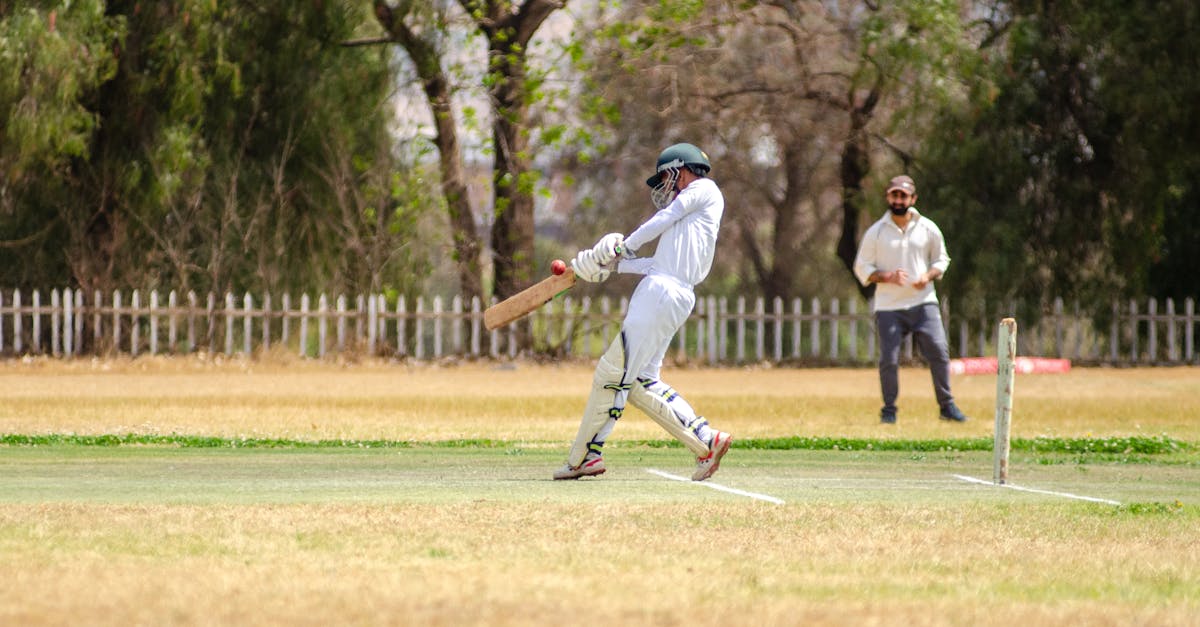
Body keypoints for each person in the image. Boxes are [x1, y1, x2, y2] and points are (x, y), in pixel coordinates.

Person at [553, 142, 732, 481]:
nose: (666, 186)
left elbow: (662, 219)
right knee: (639, 382)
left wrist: (623, 247)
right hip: (669, 290)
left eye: (667, 177)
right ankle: (706, 441)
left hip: (661, 294)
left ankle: (585, 457)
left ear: (681, 169)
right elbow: (658, 264)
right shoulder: (690, 224)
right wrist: (613, 267)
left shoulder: (703, 190)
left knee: (611, 374)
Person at [852, 175, 968, 425]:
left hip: (924, 302)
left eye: (903, 195)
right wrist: (887, 276)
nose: (898, 200)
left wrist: (928, 275)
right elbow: (862, 268)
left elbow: (942, 259)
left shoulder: (927, 228)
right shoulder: (877, 232)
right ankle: (889, 410)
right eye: (894, 195)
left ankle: (947, 406)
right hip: (889, 307)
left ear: (913, 199)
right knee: (889, 359)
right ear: (888, 197)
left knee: (938, 351)